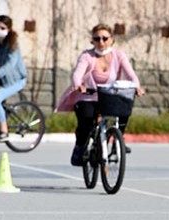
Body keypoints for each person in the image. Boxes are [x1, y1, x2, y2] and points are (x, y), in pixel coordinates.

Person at [56, 23, 144, 166]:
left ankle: (117, 141)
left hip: (109, 97)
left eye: (104, 38)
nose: (101, 42)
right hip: (88, 96)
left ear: (111, 39)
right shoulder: (87, 56)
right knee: (86, 120)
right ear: (92, 41)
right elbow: (77, 74)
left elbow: (131, 74)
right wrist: (78, 85)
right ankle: (79, 147)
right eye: (97, 39)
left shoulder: (119, 55)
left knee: (124, 109)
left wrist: (137, 87)